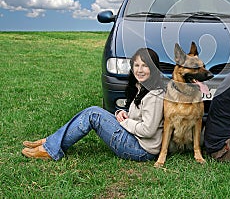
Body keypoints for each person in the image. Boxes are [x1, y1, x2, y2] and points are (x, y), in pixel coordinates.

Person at [22, 48, 164, 162]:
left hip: (141, 150)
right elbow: (139, 117)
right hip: (136, 140)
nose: (139, 70)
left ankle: (50, 147)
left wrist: (125, 122)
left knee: (93, 114)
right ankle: (51, 142)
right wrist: (123, 114)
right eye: (136, 65)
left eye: (145, 66)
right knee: (92, 112)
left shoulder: (155, 95)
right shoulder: (142, 88)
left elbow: (148, 130)